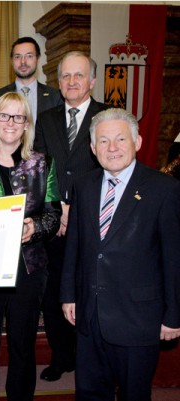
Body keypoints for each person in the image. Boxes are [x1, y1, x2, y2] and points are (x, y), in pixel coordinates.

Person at [61, 108, 180, 401]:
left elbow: (174, 257)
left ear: (137, 142)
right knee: (89, 393)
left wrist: (173, 315)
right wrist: (68, 295)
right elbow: (74, 245)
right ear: (92, 148)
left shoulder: (165, 189)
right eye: (103, 141)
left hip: (138, 318)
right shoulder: (83, 186)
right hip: (89, 316)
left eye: (120, 139)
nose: (111, 148)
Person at [0, 92, 61, 401]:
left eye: (19, 117)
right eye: (4, 115)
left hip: (28, 267)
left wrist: (36, 226)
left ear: (27, 123)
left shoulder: (43, 163)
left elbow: (53, 215)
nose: (10, 123)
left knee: (22, 343)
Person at [33, 51, 108, 382]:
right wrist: (55, 206)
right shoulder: (46, 118)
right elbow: (37, 166)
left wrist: (75, 206)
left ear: (92, 80)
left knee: (89, 290)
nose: (72, 82)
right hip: (52, 222)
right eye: (66, 76)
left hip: (93, 221)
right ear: (58, 81)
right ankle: (61, 356)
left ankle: (88, 356)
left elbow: (111, 169)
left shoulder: (108, 116)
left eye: (79, 76)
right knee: (53, 294)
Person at [0, 36, 62, 134]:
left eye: (29, 56)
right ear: (12, 61)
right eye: (17, 57)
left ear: (37, 58)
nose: (23, 62)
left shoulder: (55, 97)